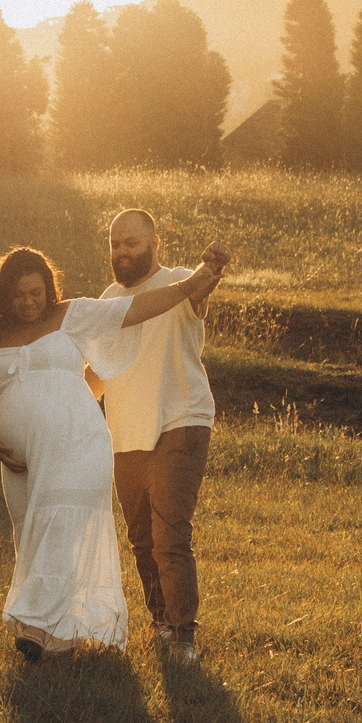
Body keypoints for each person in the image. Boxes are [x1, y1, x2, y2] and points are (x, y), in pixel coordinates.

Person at [0, 242, 227, 661]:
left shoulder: (71, 315)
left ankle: (39, 629)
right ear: (4, 295)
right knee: (31, 533)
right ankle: (58, 634)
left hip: (78, 443)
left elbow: (134, 310)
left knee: (60, 526)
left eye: (37, 293)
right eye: (19, 295)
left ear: (49, 289)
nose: (29, 302)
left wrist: (190, 285)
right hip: (23, 462)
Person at [94, 209, 222, 664]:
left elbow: (201, 289)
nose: (122, 251)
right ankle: (162, 625)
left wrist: (213, 270)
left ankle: (183, 636)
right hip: (125, 431)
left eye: (132, 242)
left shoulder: (181, 281)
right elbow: (96, 374)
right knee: (142, 540)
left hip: (180, 420)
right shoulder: (109, 299)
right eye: (115, 244)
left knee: (170, 537)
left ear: (155, 242)